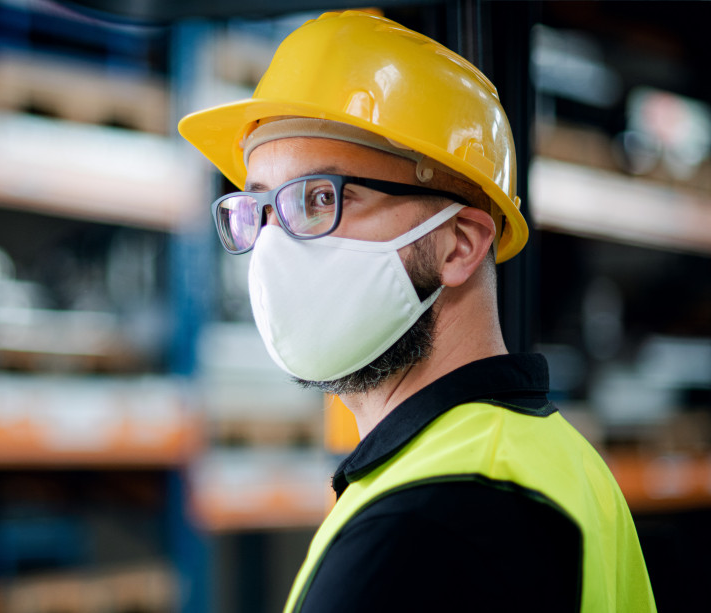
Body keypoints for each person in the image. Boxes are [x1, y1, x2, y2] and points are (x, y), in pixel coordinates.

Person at [179, 10, 656, 612]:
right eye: (261, 208)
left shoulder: (423, 528)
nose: (273, 246)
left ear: (459, 243)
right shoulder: (552, 459)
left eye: (320, 197)